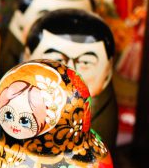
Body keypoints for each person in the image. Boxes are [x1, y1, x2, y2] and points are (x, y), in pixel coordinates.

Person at [24, 9, 118, 148]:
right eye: (57, 60)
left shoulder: (101, 119)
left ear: (107, 72)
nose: (70, 72)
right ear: (27, 58)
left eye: (85, 62)